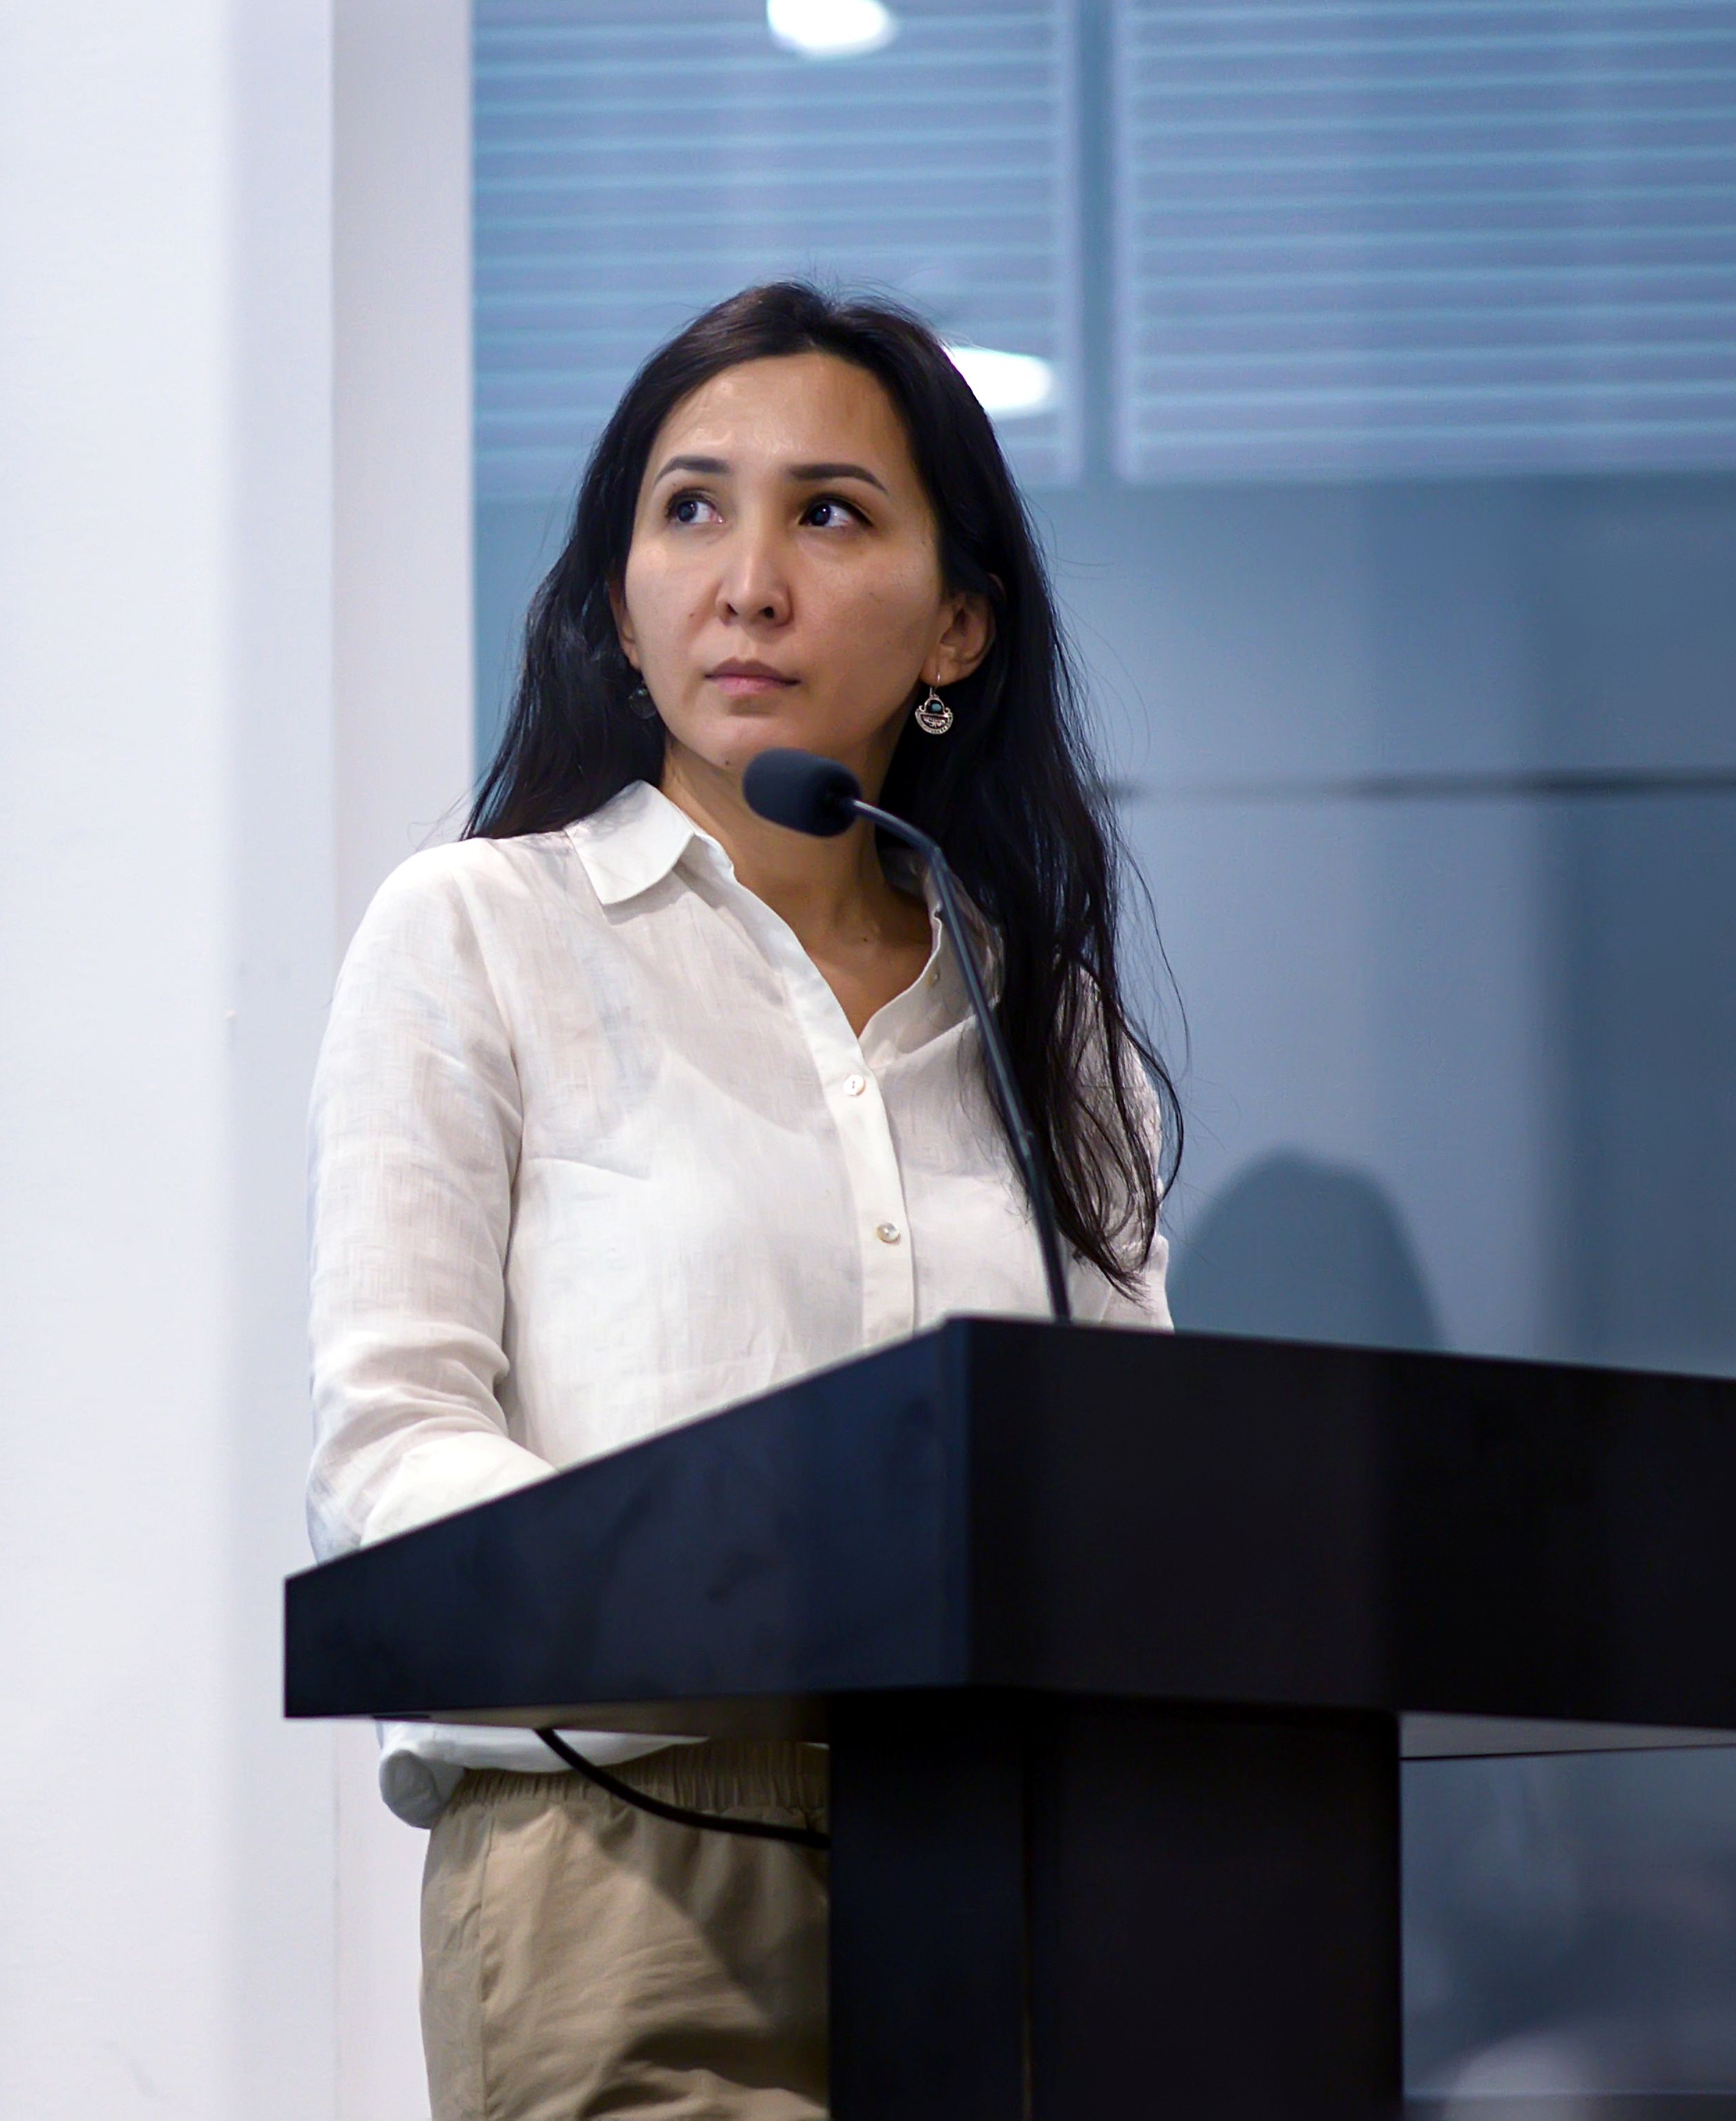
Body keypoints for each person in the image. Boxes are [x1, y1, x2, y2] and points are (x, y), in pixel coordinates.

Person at [307, 283, 1174, 2121]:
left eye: (829, 513)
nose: (749, 579)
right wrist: (737, 1604)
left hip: (1004, 1867)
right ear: (619, 595)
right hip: (624, 1850)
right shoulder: (480, 935)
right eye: (690, 508)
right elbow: (394, 1446)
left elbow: (1127, 1470)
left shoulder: (1047, 1012)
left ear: (959, 621)